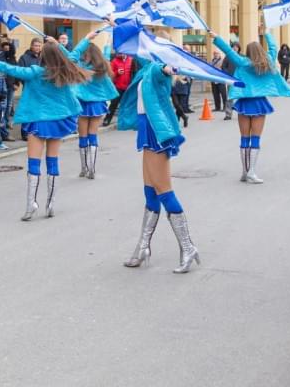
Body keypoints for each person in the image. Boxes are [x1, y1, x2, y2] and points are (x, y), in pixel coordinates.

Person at [0, 38, 89, 220]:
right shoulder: (65, 71)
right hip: (57, 120)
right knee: (52, 161)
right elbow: (74, 55)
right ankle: (50, 203)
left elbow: (10, 69)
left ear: (43, 55)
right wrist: (87, 38)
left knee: (33, 162)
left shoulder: (35, 72)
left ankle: (31, 204)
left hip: (38, 119)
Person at [114, 33, 200, 274]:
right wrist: (118, 25)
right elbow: (131, 48)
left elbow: (163, 69)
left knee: (164, 191)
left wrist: (170, 67)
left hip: (156, 131)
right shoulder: (146, 67)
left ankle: (188, 246)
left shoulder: (157, 70)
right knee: (149, 191)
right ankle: (143, 248)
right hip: (146, 129)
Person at [210, 28, 290, 184]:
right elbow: (273, 48)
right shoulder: (268, 61)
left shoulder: (242, 62)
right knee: (256, 138)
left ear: (248, 52)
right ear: (260, 51)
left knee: (244, 138)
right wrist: (267, 33)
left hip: (243, 102)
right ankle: (252, 172)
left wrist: (217, 38)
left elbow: (229, 51)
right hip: (259, 103)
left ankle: (245, 172)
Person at [67, 31, 117, 179]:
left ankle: (84, 168)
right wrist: (109, 36)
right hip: (97, 103)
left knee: (82, 135)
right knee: (93, 134)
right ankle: (92, 169)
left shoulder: (80, 66)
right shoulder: (103, 65)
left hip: (82, 103)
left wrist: (85, 39)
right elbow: (107, 51)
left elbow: (72, 56)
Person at [16, 37, 42, 140]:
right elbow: (20, 72)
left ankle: (36, 131)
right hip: (29, 88)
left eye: (39, 46)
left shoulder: (43, 58)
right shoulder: (24, 58)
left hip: (40, 90)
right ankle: (25, 132)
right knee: (27, 111)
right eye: (36, 45)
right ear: (31, 46)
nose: (37, 47)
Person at [102, 51, 134, 126]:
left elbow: (133, 72)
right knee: (113, 104)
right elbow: (110, 74)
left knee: (127, 105)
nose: (120, 55)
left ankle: (125, 121)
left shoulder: (131, 60)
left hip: (128, 87)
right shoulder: (114, 61)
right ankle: (107, 119)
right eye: (119, 53)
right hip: (118, 87)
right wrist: (117, 72)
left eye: (122, 53)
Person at [221, 42, 240, 120]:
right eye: (233, 47)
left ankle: (243, 112)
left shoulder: (241, 57)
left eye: (236, 47)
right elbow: (223, 66)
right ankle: (228, 114)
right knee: (230, 97)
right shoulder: (228, 56)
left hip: (239, 80)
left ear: (239, 48)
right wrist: (228, 74)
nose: (235, 48)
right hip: (230, 80)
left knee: (241, 97)